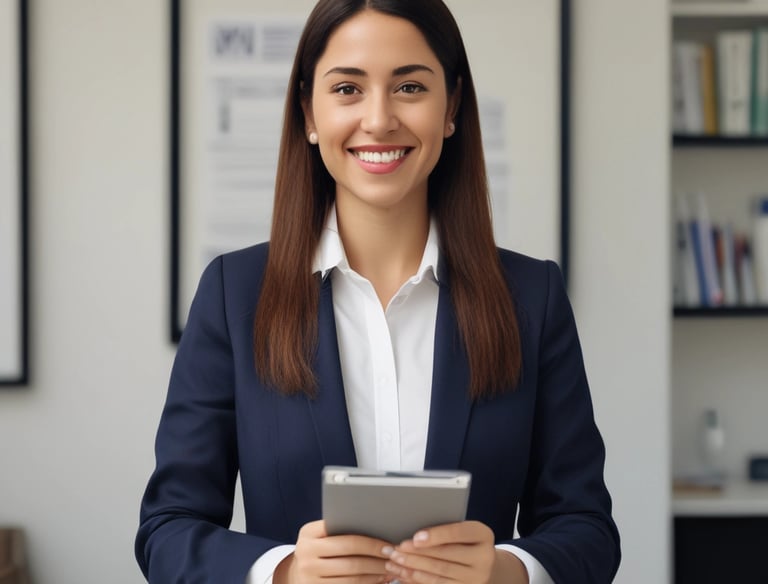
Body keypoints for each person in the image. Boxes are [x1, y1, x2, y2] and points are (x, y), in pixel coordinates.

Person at [135, 0, 621, 582]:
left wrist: (503, 571)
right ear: (308, 113)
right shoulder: (233, 296)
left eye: (410, 86)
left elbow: (587, 528)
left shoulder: (531, 298)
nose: (379, 118)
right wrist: (283, 571)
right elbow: (168, 529)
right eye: (347, 89)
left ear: (452, 108)